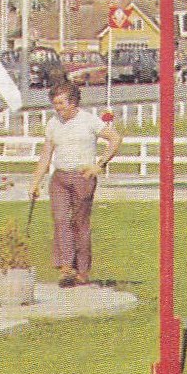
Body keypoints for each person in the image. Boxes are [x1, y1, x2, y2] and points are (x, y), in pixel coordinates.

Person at [29, 80, 122, 288]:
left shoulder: (89, 121)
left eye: (61, 103)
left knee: (79, 224)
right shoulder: (53, 123)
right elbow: (45, 156)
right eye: (55, 104)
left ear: (73, 103)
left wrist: (99, 165)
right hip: (60, 178)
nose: (58, 108)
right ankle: (66, 268)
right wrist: (35, 182)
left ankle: (82, 271)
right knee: (61, 220)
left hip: (83, 178)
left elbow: (115, 139)